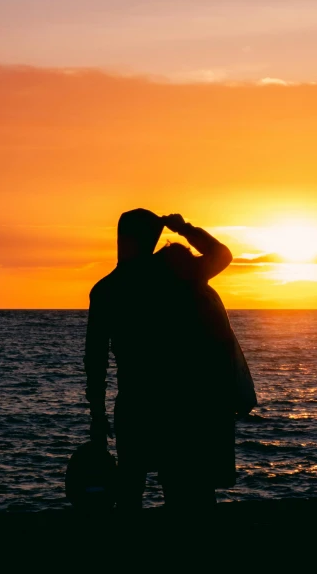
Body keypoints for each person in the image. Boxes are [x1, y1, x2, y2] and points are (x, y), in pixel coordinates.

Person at [83, 208, 235, 510]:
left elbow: (95, 363)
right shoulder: (174, 276)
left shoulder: (106, 290)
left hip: (135, 405)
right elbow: (222, 255)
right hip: (179, 405)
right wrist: (185, 228)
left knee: (128, 493)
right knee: (187, 493)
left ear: (121, 238)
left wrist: (98, 418)